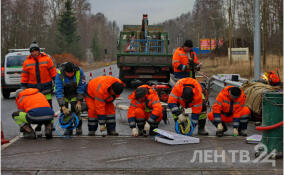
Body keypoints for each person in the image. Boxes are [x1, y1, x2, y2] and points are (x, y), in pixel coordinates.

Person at [21, 42, 57, 134]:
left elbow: (53, 72)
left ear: (39, 51)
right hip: (33, 90)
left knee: (48, 106)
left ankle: (50, 124)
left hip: (46, 88)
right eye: (32, 51)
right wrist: (23, 86)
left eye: (36, 51)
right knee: (36, 107)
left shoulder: (47, 59)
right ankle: (39, 124)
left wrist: (56, 81)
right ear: (30, 52)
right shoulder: (27, 62)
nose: (34, 53)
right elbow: (24, 76)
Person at [55, 62, 86, 136]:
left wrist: (79, 102)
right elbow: (59, 91)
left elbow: (81, 87)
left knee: (76, 109)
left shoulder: (80, 72)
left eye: (72, 73)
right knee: (66, 113)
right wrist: (62, 106)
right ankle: (68, 128)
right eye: (68, 73)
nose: (70, 75)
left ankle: (78, 127)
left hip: (75, 93)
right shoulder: (59, 74)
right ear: (65, 71)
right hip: (64, 94)